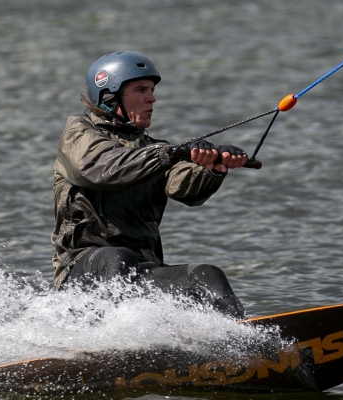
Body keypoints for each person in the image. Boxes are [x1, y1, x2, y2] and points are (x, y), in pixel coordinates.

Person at [50, 51, 250, 319]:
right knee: (115, 258)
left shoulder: (154, 150)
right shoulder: (78, 134)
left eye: (152, 90)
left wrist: (212, 168)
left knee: (208, 275)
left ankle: (242, 335)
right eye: (140, 90)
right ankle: (112, 336)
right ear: (109, 97)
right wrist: (165, 154)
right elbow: (100, 168)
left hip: (142, 268)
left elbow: (184, 189)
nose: (152, 98)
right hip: (82, 272)